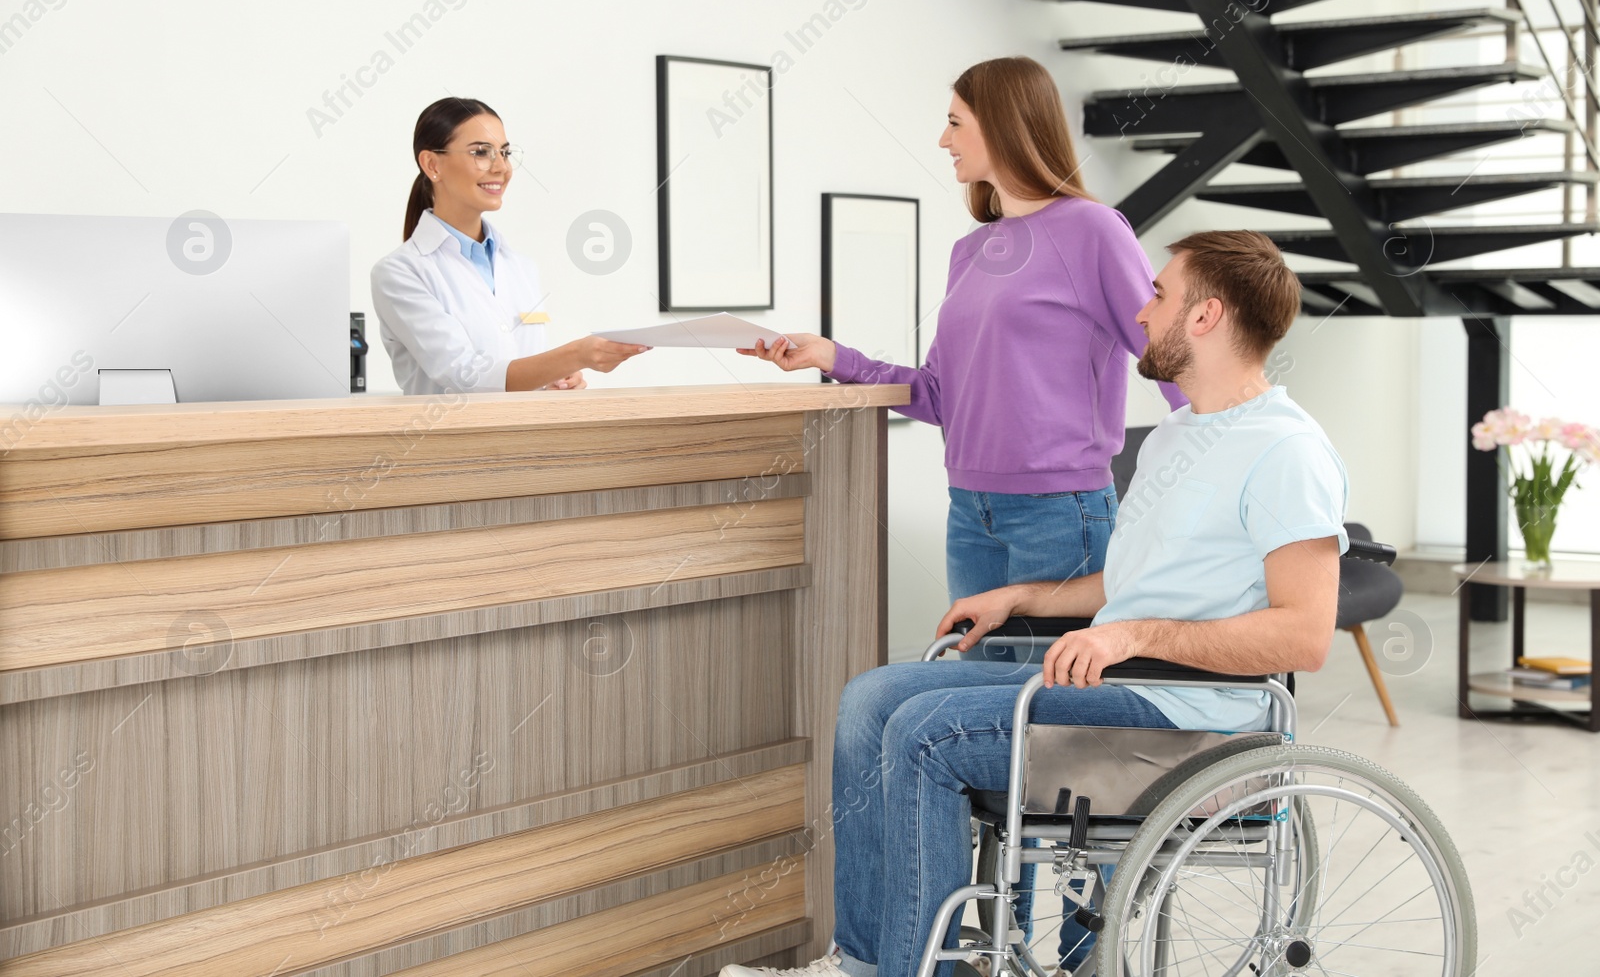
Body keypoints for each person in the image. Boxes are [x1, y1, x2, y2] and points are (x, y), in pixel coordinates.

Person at [722, 230, 1349, 977]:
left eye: (1159, 294)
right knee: (870, 698)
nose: (1142, 313)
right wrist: (1021, 596)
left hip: (1187, 718)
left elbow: (1304, 636)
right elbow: (1127, 582)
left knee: (926, 734)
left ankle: (918, 971)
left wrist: (1129, 637)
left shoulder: (1288, 449)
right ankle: (859, 963)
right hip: (1119, 686)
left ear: (1207, 316)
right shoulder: (1176, 435)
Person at [742, 57, 1184, 666]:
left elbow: (1171, 358)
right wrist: (832, 356)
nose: (942, 140)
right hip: (969, 511)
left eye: (955, 123)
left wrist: (1201, 473)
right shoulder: (971, 250)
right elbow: (939, 394)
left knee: (1048, 718)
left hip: (1059, 517)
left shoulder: (1094, 230)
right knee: (977, 705)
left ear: (1004, 125)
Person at [371, 97, 649, 395]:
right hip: (454, 441)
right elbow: (466, 377)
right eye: (481, 152)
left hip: (526, 439)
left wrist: (553, 383)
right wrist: (575, 355)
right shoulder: (400, 273)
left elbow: (514, 376)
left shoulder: (519, 267)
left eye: (504, 153)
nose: (501, 167)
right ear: (432, 164)